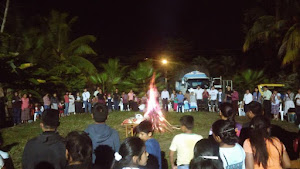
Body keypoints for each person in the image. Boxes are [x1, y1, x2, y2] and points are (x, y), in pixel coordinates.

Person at [84, 103, 120, 168]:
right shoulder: (114, 133)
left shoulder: (86, 133)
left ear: (92, 116)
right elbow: (118, 154)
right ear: (107, 117)